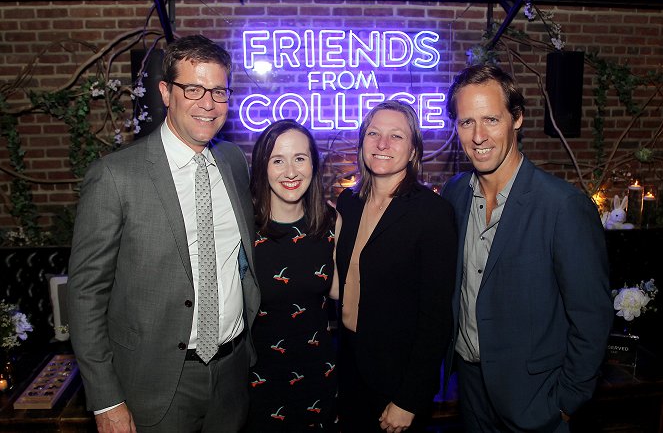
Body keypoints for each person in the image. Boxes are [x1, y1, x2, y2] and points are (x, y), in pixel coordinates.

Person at [67, 35, 260, 433]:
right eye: (193, 89)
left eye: (219, 91)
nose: (208, 103)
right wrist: (105, 400)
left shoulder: (233, 162)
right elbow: (85, 295)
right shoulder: (116, 176)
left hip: (232, 374)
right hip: (154, 384)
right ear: (165, 92)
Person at [441, 64, 613, 432]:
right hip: (470, 392)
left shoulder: (562, 206)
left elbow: (592, 318)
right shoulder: (454, 193)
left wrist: (565, 404)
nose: (478, 136)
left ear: (516, 118)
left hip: (536, 400)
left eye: (490, 119)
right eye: (466, 122)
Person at [334, 100, 457, 433]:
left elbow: (437, 318)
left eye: (396, 136)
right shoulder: (348, 203)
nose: (383, 144)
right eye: (373, 133)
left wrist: (409, 398)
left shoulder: (432, 214)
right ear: (362, 143)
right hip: (347, 365)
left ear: (413, 149)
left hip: (396, 376)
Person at [244, 119, 337, 432]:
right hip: (259, 383)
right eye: (278, 160)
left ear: (313, 162)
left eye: (300, 158)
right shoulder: (243, 228)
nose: (291, 172)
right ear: (262, 166)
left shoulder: (330, 223)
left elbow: (345, 293)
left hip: (319, 376)